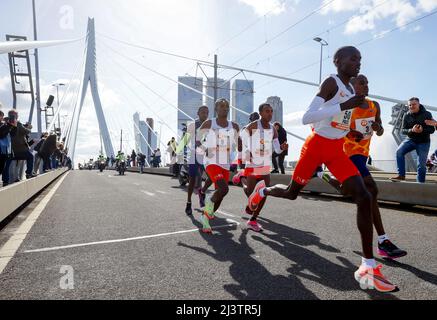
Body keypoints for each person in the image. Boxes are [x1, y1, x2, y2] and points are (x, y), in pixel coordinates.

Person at [247, 46, 398, 292]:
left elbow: (338, 122)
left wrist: (352, 131)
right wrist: (344, 104)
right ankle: (262, 192)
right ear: (338, 61)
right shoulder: (332, 83)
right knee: (291, 193)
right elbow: (309, 117)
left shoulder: (351, 89)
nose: (358, 62)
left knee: (364, 195)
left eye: (360, 59)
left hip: (337, 149)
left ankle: (368, 267)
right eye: (353, 58)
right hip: (316, 147)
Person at [316, 74, 407, 259]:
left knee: (346, 190)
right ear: (351, 86)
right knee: (371, 189)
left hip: (363, 154)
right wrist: (350, 131)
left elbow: (380, 130)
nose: (366, 85)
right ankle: (383, 242)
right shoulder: (347, 105)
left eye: (367, 82)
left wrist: (377, 128)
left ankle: (320, 175)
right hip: (346, 153)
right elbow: (337, 127)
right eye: (361, 83)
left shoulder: (374, 105)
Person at [240, 103, 288, 232]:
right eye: (267, 111)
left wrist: (282, 148)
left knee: (263, 192)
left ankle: (253, 220)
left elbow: (277, 150)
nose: (270, 113)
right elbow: (241, 138)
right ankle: (242, 180)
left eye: (271, 111)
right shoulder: (254, 125)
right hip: (253, 162)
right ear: (260, 113)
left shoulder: (273, 129)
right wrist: (246, 151)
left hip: (265, 163)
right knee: (250, 192)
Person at [198, 98, 240, 233]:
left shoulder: (234, 126)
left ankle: (207, 215)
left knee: (221, 194)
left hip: (225, 162)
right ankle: (205, 216)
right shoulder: (210, 123)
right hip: (211, 161)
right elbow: (196, 140)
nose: (225, 108)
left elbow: (237, 145)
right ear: (216, 109)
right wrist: (203, 150)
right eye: (222, 106)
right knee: (224, 188)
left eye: (227, 106)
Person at [176, 106, 212, 215]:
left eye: (206, 112)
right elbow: (185, 140)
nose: (205, 114)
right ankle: (189, 202)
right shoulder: (192, 125)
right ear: (198, 113)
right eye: (202, 112)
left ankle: (202, 191)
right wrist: (179, 150)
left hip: (206, 155)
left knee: (211, 176)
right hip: (194, 155)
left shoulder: (210, 125)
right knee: (192, 180)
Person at [392, 97, 435, 183]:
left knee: (421, 165)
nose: (411, 106)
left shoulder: (427, 114)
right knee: (399, 152)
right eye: (410, 105)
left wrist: (422, 130)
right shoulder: (406, 115)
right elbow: (403, 130)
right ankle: (401, 175)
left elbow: (432, 130)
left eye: (414, 104)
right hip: (411, 140)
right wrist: (412, 130)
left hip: (423, 142)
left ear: (419, 104)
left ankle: (420, 184)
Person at [0, 109, 17, 185]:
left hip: (6, 150)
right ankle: (5, 182)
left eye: (2, 116)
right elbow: (1, 134)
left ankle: (5, 182)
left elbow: (13, 135)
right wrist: (9, 125)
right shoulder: (4, 125)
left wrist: (14, 127)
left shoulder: (5, 124)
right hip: (2, 149)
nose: (1, 117)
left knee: (4, 168)